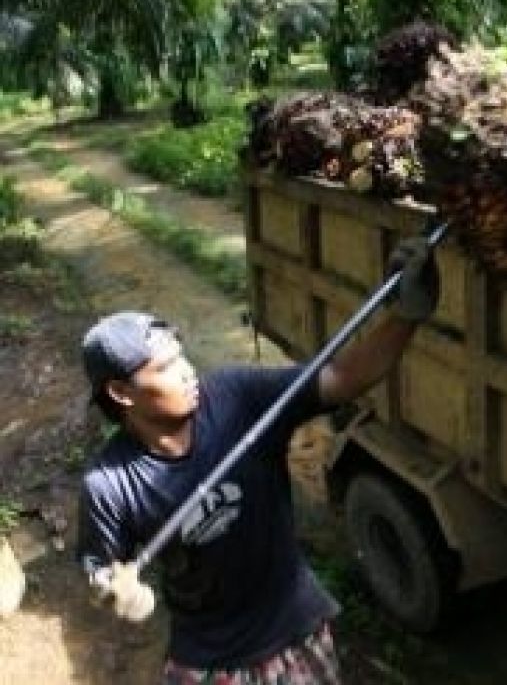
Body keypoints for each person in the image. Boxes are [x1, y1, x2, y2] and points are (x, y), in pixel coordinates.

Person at [75, 236, 440, 685]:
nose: (188, 371)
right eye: (165, 367)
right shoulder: (109, 483)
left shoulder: (237, 398)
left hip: (295, 633)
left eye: (182, 356)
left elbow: (343, 378)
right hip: (211, 661)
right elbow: (101, 570)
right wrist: (113, 591)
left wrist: (404, 317)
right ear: (120, 392)